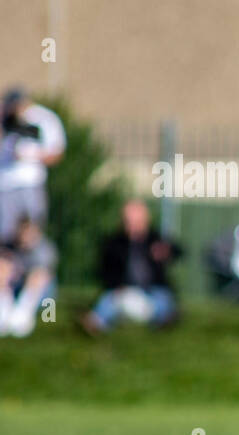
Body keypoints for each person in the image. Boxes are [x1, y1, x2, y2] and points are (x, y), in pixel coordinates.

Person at [80, 200, 182, 335]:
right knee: (109, 300)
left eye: (137, 222)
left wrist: (166, 251)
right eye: (129, 222)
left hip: (152, 289)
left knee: (163, 300)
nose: (133, 226)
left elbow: (179, 250)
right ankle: (96, 323)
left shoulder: (155, 240)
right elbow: (104, 272)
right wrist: (117, 286)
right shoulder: (114, 244)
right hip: (123, 289)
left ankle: (164, 320)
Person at [0, 88, 65, 244]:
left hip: (31, 183)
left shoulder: (43, 118)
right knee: (6, 234)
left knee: (33, 233)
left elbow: (57, 153)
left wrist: (30, 154)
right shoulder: (4, 117)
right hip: (5, 185)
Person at [0, 216, 57, 337]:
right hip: (13, 287)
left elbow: (45, 276)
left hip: (41, 294)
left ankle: (24, 313)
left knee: (38, 274)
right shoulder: (8, 246)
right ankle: (3, 310)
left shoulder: (44, 251)